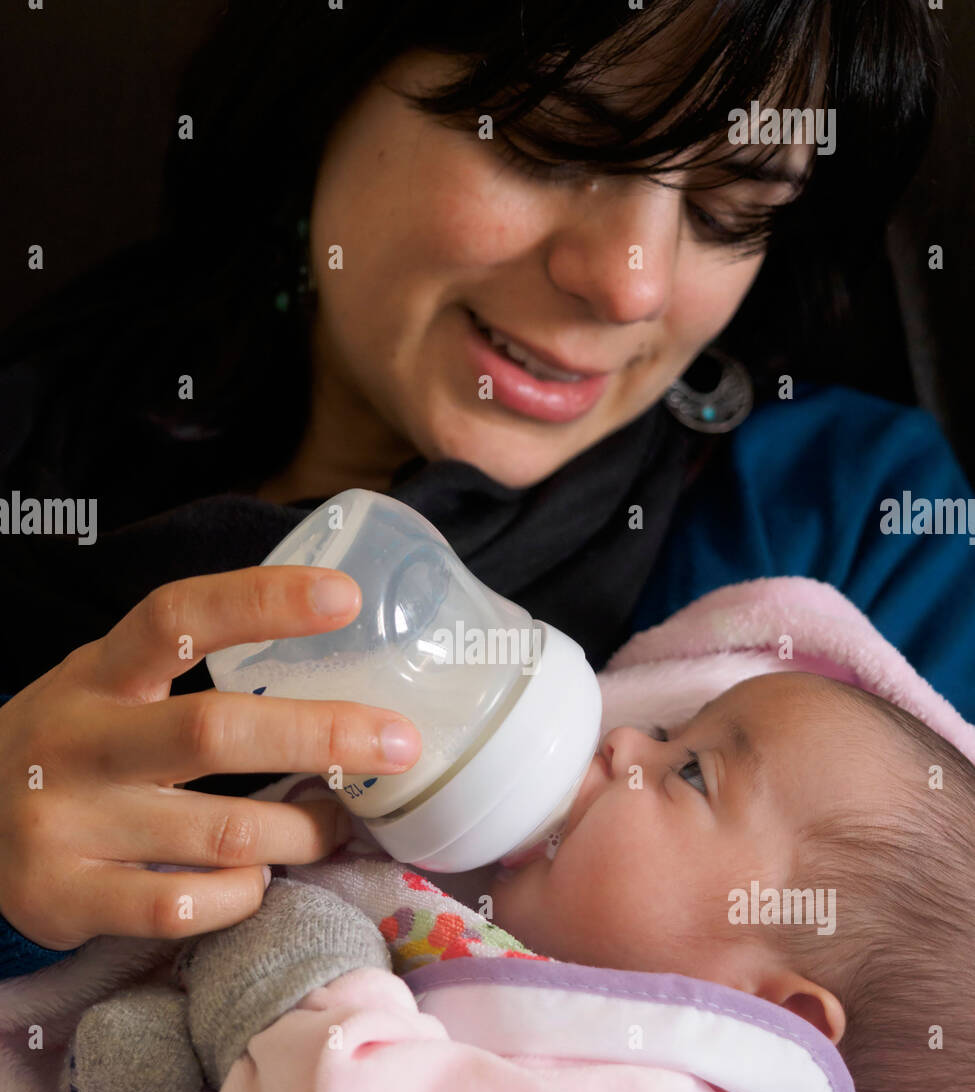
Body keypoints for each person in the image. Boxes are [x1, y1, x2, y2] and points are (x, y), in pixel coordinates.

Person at [1, 1, 972, 979]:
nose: (630, 285)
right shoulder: (46, 441)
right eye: (555, 143)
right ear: (332, 71)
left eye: (728, 211)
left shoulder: (855, 524)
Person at [59, 671, 975, 1092]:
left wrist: (302, 978)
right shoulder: (536, 963)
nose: (623, 741)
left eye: (688, 772)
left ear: (776, 1011)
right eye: (664, 733)